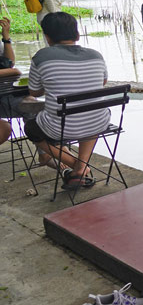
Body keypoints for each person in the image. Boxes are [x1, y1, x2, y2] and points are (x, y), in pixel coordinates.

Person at [24, 12, 109, 189]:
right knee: (88, 112)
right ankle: (82, 166)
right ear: (77, 35)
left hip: (60, 129)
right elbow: (102, 82)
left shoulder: (41, 57)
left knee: (31, 128)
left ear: (47, 37)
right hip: (98, 122)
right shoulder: (96, 55)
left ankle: (76, 166)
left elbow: (34, 91)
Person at [0, 17, 22, 145]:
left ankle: (44, 153)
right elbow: (13, 70)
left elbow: (10, 63)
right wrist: (11, 72)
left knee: (31, 106)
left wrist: (6, 37)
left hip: (3, 96)